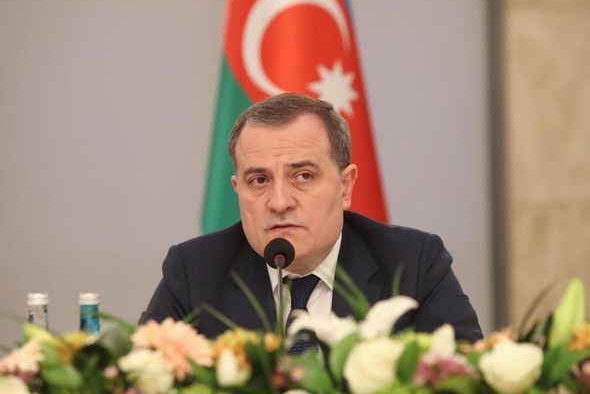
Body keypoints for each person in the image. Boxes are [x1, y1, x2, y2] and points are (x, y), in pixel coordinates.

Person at [140, 93, 482, 342]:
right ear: (237, 189)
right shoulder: (194, 271)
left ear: (345, 186)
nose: (279, 202)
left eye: (303, 176)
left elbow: (464, 379)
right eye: (258, 180)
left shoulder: (414, 265)